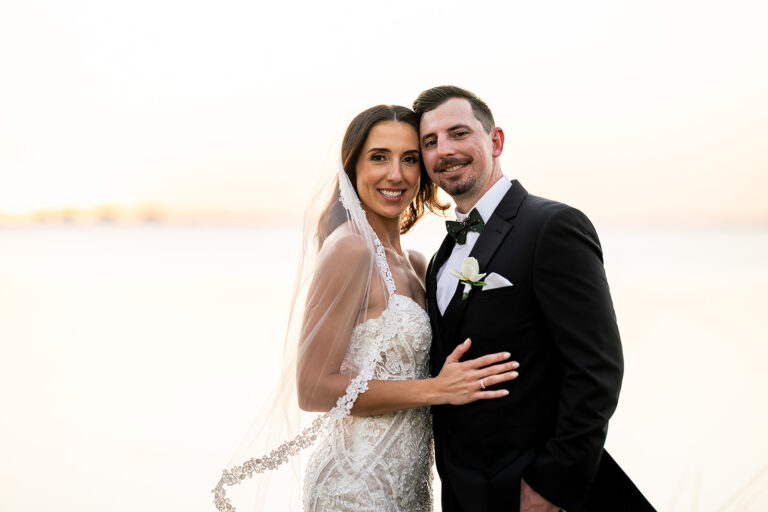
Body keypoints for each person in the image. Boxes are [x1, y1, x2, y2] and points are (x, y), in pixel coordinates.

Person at [213, 105, 520, 511]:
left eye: (409, 159)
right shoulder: (350, 250)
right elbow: (312, 389)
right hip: (356, 488)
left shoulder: (417, 263)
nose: (396, 174)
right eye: (379, 157)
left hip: (409, 485)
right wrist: (437, 390)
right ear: (352, 168)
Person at [413, 86, 655, 511]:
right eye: (430, 142)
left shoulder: (552, 226)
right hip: (464, 492)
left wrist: (550, 488)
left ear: (496, 140)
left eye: (458, 133)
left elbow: (596, 370)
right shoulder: (441, 257)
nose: (444, 150)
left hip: (536, 492)